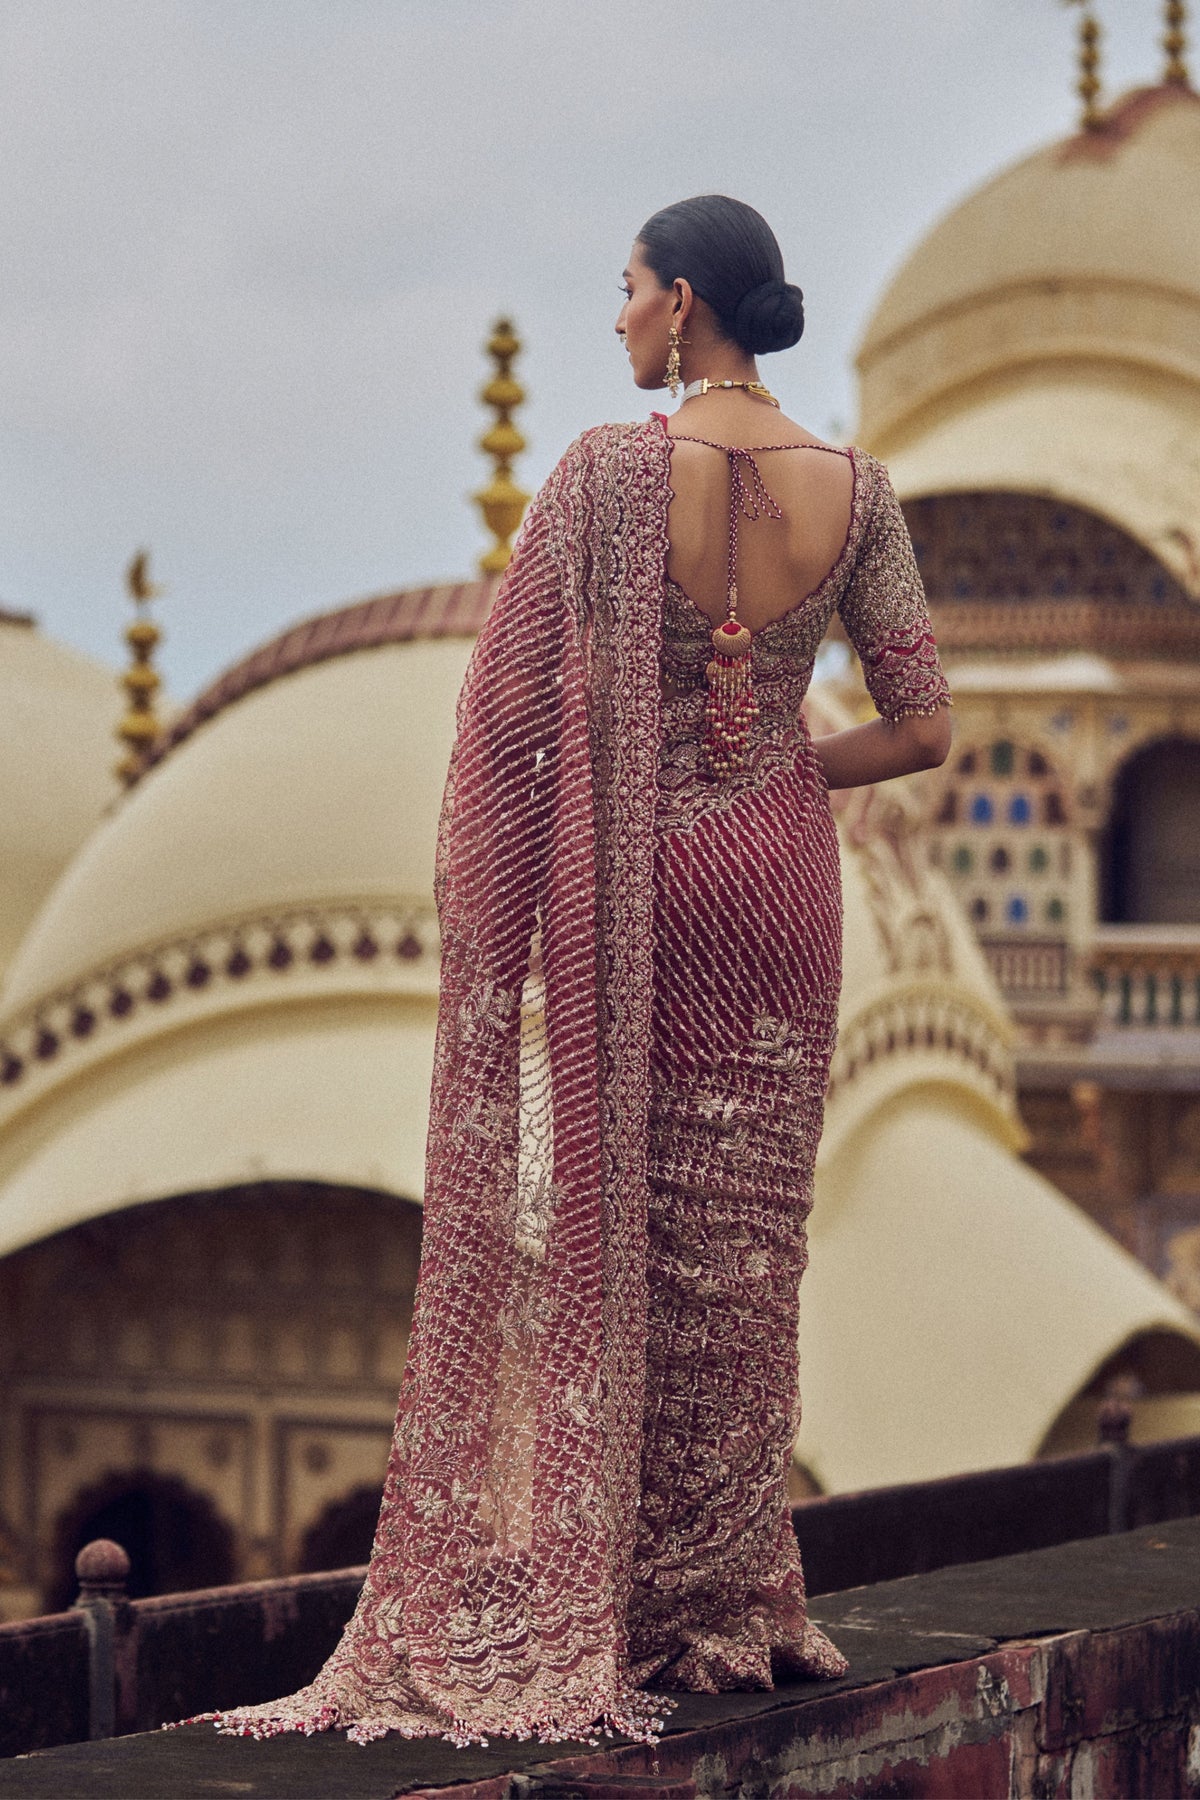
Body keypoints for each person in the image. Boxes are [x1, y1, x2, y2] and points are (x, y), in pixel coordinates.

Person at [193, 194, 951, 1749]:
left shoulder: (611, 476)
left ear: (682, 305)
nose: (615, 321)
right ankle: (726, 1595)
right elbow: (929, 724)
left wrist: (613, 787)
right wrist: (789, 767)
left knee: (623, 1220)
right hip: (785, 893)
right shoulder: (855, 490)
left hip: (646, 887)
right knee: (748, 1251)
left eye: (624, 294)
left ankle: (602, 1593)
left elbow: (507, 720)